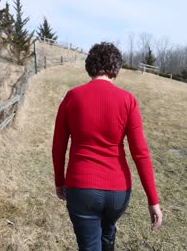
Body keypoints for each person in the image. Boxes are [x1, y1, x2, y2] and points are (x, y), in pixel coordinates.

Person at [52, 42, 163, 251]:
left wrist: (59, 181)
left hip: (81, 187)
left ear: (90, 66)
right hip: (118, 192)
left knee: (89, 245)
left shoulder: (72, 97)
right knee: (107, 232)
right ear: (116, 68)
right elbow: (140, 154)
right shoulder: (128, 100)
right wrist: (153, 200)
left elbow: (58, 146)